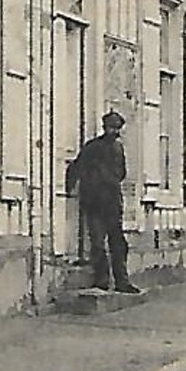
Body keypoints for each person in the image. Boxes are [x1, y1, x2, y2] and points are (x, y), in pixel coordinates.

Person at [65, 110, 139, 294]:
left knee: (118, 243)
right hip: (95, 202)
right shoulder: (92, 148)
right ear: (104, 127)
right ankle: (102, 280)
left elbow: (122, 173)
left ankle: (122, 281)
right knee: (97, 243)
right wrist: (73, 188)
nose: (113, 132)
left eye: (116, 128)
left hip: (112, 202)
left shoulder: (118, 149)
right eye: (111, 128)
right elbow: (76, 167)